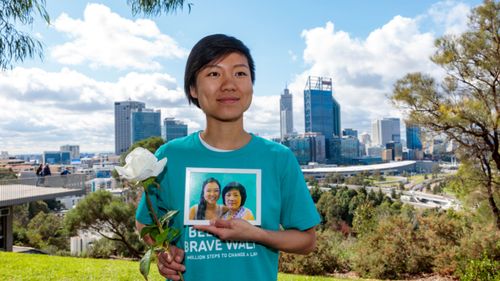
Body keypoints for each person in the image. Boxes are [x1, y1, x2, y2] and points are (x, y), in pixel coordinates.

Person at [135, 34, 320, 281]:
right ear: (192, 89)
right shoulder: (169, 157)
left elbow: (307, 240)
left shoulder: (279, 158)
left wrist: (257, 234)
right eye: (214, 74)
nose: (229, 84)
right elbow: (144, 223)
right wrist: (164, 252)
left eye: (240, 74)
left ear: (251, 85)